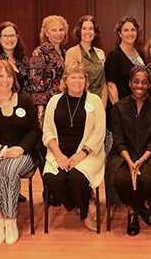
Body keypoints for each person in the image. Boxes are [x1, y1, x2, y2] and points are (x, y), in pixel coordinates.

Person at [0, 60, 40, 245]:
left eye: (9, 76)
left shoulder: (25, 101)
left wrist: (21, 148)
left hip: (22, 153)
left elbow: (34, 130)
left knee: (8, 171)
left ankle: (11, 220)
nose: (5, 80)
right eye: (1, 76)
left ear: (14, 79)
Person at [42, 61, 105, 231]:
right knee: (51, 178)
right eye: (73, 77)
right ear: (65, 80)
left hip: (88, 153)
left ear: (86, 81)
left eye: (81, 77)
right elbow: (47, 131)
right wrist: (59, 155)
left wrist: (81, 154)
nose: (77, 81)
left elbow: (99, 132)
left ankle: (84, 215)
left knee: (77, 178)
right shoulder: (55, 101)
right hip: (59, 153)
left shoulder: (95, 101)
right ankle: (81, 203)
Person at [105, 65, 151, 236]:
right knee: (120, 180)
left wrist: (142, 160)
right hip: (123, 154)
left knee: (146, 179)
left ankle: (133, 211)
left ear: (149, 85)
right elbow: (119, 139)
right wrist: (131, 162)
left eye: (144, 83)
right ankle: (143, 209)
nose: (140, 86)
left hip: (150, 155)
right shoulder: (119, 108)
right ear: (130, 83)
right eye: (136, 82)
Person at [104, 16, 145, 135]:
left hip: (138, 108)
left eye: (133, 30)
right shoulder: (114, 56)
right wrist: (119, 111)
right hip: (122, 110)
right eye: (126, 30)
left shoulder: (141, 54)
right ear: (120, 34)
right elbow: (111, 85)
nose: (130, 33)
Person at [30, 15, 68, 126]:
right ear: (46, 33)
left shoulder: (65, 53)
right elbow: (35, 81)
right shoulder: (39, 52)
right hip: (47, 104)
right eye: (54, 30)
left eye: (61, 30)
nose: (58, 33)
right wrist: (40, 109)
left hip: (63, 102)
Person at [65, 15, 107, 108]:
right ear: (79, 31)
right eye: (84, 28)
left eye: (91, 29)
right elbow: (71, 82)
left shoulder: (100, 53)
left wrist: (102, 105)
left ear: (95, 32)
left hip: (100, 101)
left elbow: (104, 81)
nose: (87, 32)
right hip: (80, 103)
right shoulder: (72, 53)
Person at [0, 21, 30, 95]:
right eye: (5, 36)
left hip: (21, 104)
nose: (9, 39)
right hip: (0, 103)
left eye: (12, 36)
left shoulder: (23, 60)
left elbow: (28, 87)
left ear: (17, 38)